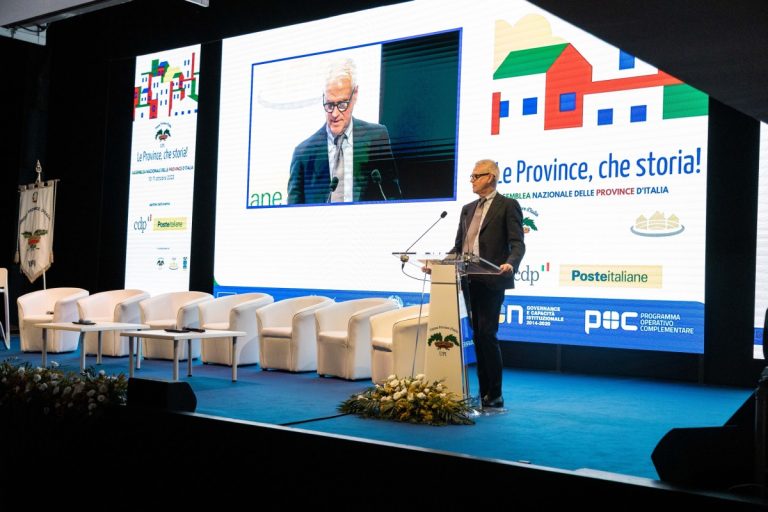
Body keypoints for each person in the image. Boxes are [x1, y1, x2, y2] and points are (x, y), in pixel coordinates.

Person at [449, 159, 525, 409]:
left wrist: (510, 263)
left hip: (492, 279)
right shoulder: (467, 209)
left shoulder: (508, 205)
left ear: (491, 177)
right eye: (471, 176)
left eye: (476, 176)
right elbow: (459, 247)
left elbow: (518, 243)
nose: (472, 180)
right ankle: (482, 393)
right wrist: (440, 264)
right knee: (477, 336)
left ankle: (495, 393)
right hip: (468, 279)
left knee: (487, 334)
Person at [287, 58, 401, 204]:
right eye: (329, 105)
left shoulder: (377, 138)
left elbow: (393, 198)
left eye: (342, 104)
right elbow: (293, 212)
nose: (334, 114)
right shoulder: (303, 154)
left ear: (355, 94)